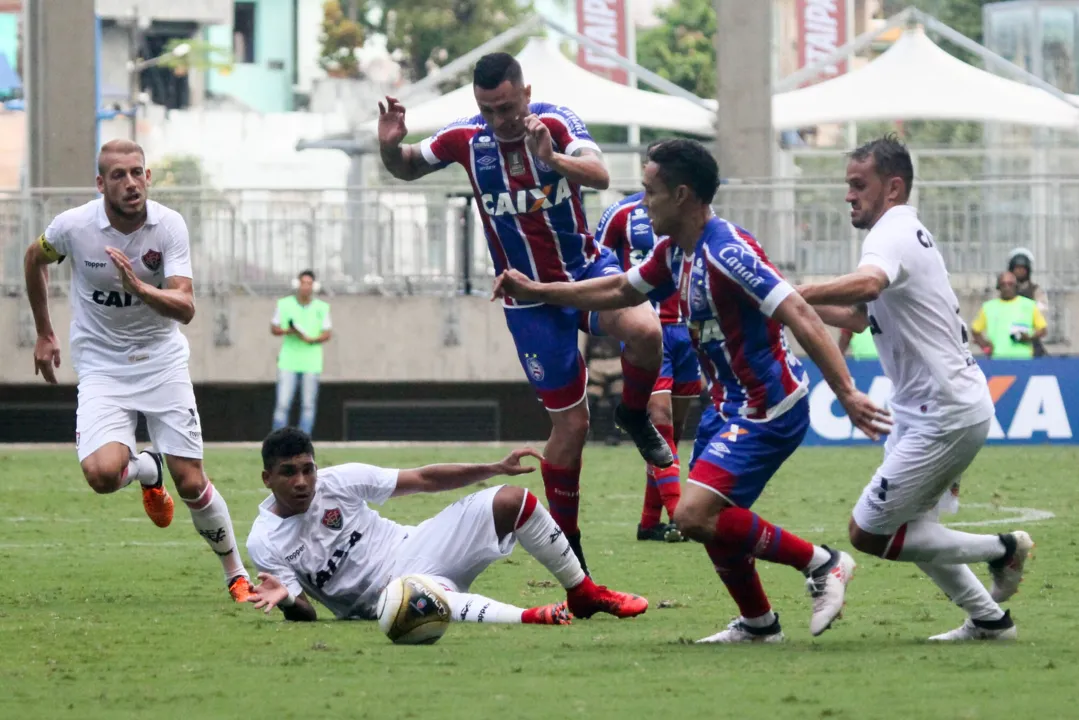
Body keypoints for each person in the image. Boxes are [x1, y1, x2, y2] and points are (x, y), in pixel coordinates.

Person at [494, 138, 892, 643]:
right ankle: (758, 624)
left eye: (650, 191)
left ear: (682, 195)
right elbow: (619, 290)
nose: (642, 203)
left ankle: (823, 563)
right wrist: (537, 291)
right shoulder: (674, 252)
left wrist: (847, 392)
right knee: (708, 519)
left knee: (692, 514)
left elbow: (800, 314)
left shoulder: (728, 251)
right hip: (726, 406)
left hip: (767, 407)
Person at [377, 51, 670, 576]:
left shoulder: (556, 123)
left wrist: (553, 160)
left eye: (507, 107)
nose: (499, 119)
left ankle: (631, 412)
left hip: (584, 273)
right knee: (572, 427)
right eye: (488, 109)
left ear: (526, 93)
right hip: (528, 300)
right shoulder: (465, 139)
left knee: (648, 333)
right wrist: (388, 144)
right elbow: (404, 168)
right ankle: (571, 551)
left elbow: (601, 175)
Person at [796, 134, 1034, 641]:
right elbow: (861, 317)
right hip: (929, 409)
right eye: (848, 186)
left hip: (943, 411)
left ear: (893, 186)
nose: (849, 196)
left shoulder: (893, 232)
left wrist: (795, 291)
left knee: (869, 534)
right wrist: (787, 303)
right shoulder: (902, 232)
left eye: (859, 185)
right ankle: (990, 621)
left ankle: (1004, 550)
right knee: (914, 529)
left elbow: (868, 286)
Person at [23, 139, 254, 602]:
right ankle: (148, 468)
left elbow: (185, 307)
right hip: (103, 367)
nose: (130, 183)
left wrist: (138, 287)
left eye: (137, 173)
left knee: (191, 481)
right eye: (118, 175)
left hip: (161, 362)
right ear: (100, 183)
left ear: (148, 177)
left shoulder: (168, 226)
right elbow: (34, 260)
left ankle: (237, 575)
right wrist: (45, 332)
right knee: (102, 476)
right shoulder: (72, 227)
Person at [244, 427, 648, 625]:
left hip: (417, 546)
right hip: (380, 601)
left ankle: (583, 593)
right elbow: (308, 617)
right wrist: (286, 601)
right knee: (414, 596)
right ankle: (533, 616)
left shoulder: (340, 480)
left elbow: (425, 479)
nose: (302, 482)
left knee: (511, 499)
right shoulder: (265, 540)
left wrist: (493, 468)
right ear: (267, 478)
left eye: (307, 469)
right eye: (288, 473)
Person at [595, 189, 701, 543]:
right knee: (660, 419)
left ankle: (649, 523)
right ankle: (680, 516)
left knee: (673, 429)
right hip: (647, 329)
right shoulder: (620, 213)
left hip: (688, 329)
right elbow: (596, 261)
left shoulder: (695, 211)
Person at [271, 269, 333, 435]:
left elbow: (327, 332)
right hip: (288, 361)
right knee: (283, 404)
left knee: (308, 405)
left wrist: (312, 339)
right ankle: (278, 442)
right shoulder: (284, 304)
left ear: (314, 286)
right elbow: (274, 328)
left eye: (309, 283)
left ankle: (304, 443)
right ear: (297, 284)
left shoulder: (322, 307)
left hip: (311, 362)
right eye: (303, 283)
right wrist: (288, 331)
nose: (305, 287)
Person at [971, 271, 1047, 359]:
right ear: (998, 287)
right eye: (1003, 284)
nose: (1007, 288)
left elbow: (1042, 329)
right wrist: (986, 347)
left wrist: (1029, 337)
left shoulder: (1029, 305)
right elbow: (975, 331)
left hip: (1024, 359)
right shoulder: (988, 307)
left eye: (1010, 284)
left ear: (1016, 286)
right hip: (997, 359)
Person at [1007, 247, 1049, 357]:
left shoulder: (1036, 290)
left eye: (1022, 268)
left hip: (1030, 339)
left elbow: (1041, 312)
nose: (1019, 271)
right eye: (1017, 268)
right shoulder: (1004, 291)